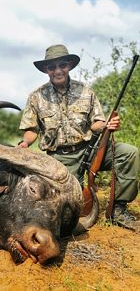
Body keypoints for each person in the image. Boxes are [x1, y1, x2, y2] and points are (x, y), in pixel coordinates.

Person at [18, 44, 139, 230]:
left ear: (69, 66)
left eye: (62, 65)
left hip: (89, 150)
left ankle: (118, 209)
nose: (58, 71)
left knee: (129, 153)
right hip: (59, 159)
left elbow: (96, 124)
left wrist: (107, 125)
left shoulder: (86, 91)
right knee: (64, 205)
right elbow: (31, 129)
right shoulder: (36, 97)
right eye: (52, 67)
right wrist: (25, 143)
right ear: (46, 70)